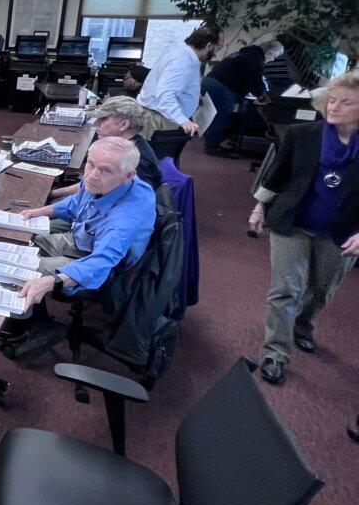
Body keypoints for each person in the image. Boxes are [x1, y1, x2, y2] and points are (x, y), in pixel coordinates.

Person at [248, 70, 359, 385]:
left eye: (346, 103)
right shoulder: (302, 134)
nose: (334, 108)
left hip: (342, 232)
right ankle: (275, 353)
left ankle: (303, 324)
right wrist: (259, 207)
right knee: (286, 290)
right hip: (292, 222)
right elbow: (276, 175)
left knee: (322, 289)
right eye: (331, 101)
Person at [0, 137, 157, 359]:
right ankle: (31, 316)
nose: (91, 175)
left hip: (99, 263)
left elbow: (102, 262)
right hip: (82, 238)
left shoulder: (124, 218)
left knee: (22, 271)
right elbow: (76, 202)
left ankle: (35, 324)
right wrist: (40, 211)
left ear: (128, 176)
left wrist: (52, 281)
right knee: (17, 247)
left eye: (104, 170)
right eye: (90, 164)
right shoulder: (100, 180)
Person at [50, 96, 162, 202]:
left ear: (124, 125)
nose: (96, 123)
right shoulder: (124, 147)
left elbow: (128, 202)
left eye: (103, 119)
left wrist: (54, 194)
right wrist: (55, 193)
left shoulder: (137, 163)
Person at [136, 25, 224, 139]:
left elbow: (178, 85)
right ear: (209, 45)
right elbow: (165, 93)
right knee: (156, 155)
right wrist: (182, 120)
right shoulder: (182, 61)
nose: (216, 54)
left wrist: (193, 97)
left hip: (161, 116)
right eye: (218, 48)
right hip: (158, 119)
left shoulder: (184, 54)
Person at [202, 41, 283, 155]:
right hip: (221, 87)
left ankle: (211, 142)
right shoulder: (255, 58)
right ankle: (212, 147)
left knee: (213, 115)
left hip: (210, 82)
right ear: (270, 52)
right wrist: (261, 95)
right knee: (221, 116)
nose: (273, 60)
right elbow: (254, 79)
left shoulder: (246, 53)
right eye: (275, 56)